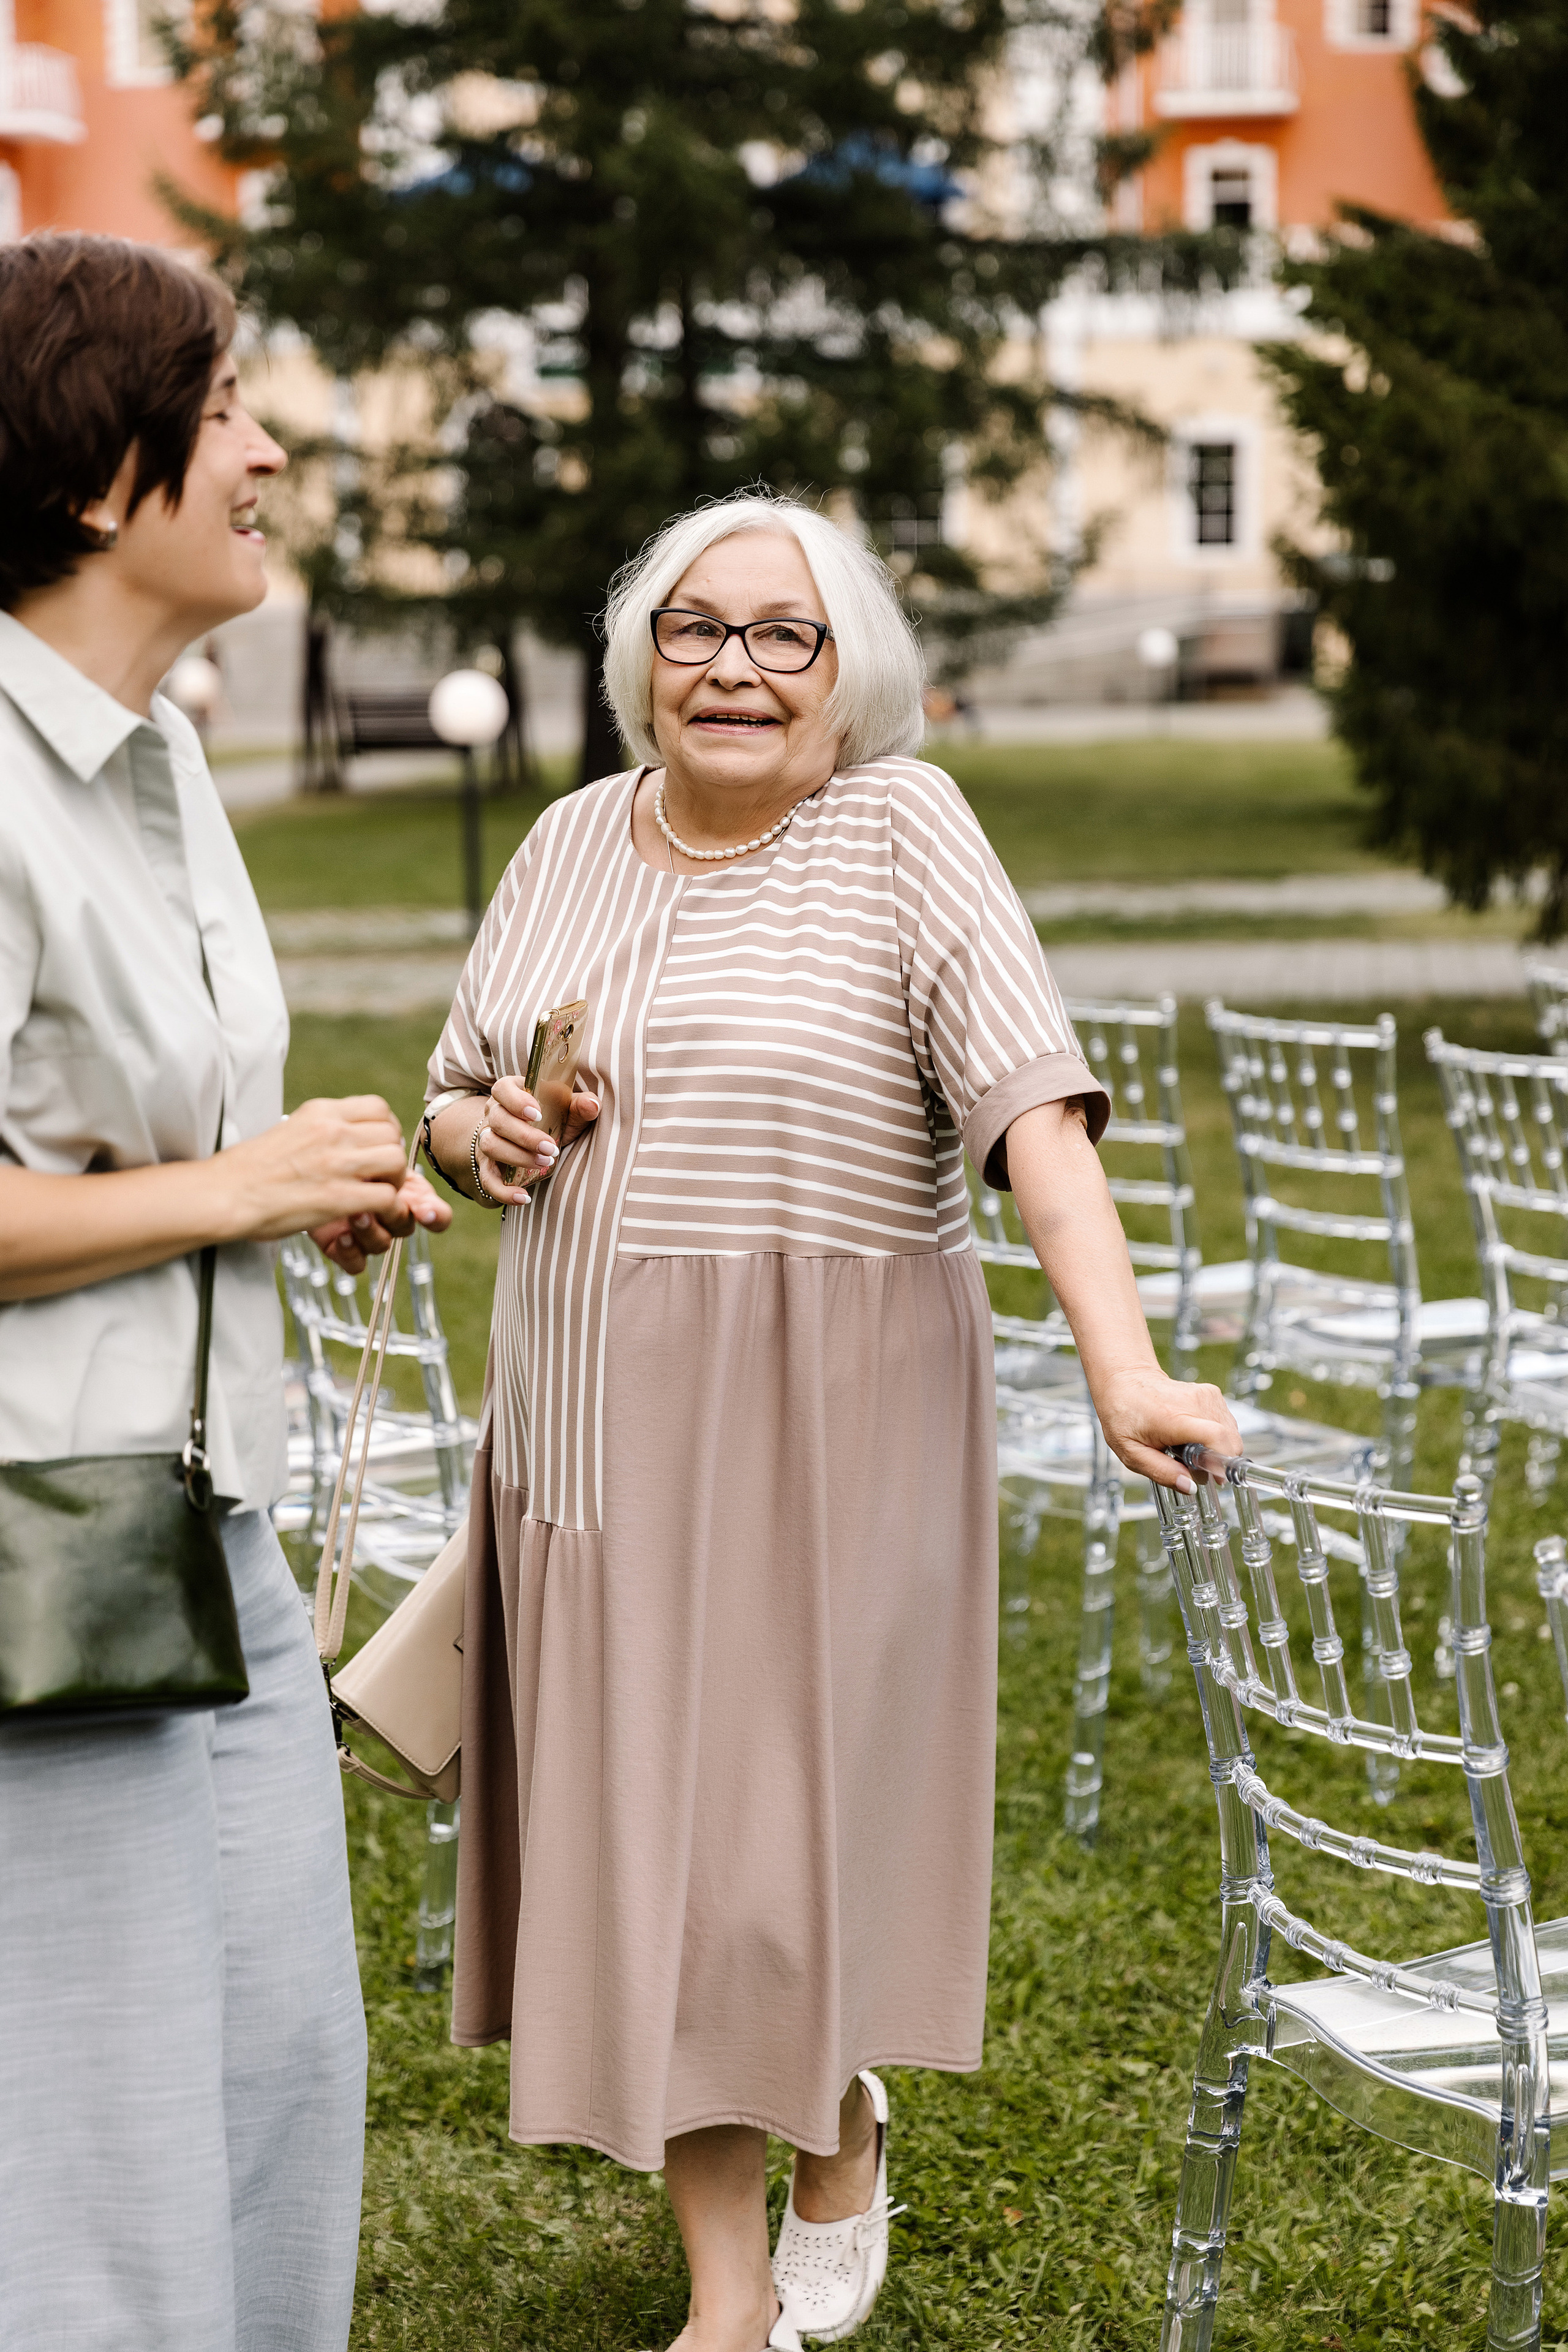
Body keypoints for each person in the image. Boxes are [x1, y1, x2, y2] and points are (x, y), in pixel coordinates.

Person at [422, 488, 1242, 2352]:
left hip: (832, 1430)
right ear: (643, 656)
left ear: (845, 670)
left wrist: (1119, 1365)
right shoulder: (563, 843)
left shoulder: (901, 832)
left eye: (781, 635)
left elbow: (1035, 1114)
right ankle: (731, 2294)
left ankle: (839, 2104)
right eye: (696, 628)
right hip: (593, 1428)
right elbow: (453, 1107)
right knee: (667, 1852)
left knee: (782, 1850)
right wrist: (494, 1138)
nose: (733, 667)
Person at [0, 232, 450, 2351]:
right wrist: (229, 1185)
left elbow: (146, 1159)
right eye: (236, 405)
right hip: (40, 1554)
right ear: (106, 473)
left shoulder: (166, 759)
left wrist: (272, 1197)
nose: (274, 448)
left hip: (220, 1526)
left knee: (278, 2081)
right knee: (93, 2147)